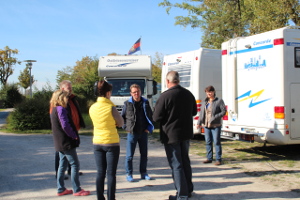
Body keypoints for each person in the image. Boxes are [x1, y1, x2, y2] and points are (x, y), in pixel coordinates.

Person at [153, 71, 197, 200]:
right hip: (186, 133)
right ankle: (188, 190)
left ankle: (182, 194)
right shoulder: (188, 94)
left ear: (167, 81)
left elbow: (156, 117)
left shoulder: (165, 96)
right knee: (185, 162)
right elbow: (194, 111)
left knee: (176, 164)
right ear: (178, 80)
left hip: (171, 134)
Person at [50, 90, 90, 196]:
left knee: (62, 165)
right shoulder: (61, 109)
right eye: (66, 98)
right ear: (61, 98)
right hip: (66, 142)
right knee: (74, 164)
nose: (68, 100)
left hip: (59, 142)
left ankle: (61, 189)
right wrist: (74, 135)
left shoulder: (54, 109)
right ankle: (77, 189)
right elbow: (65, 125)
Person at [89, 80, 124, 200]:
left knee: (100, 172)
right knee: (111, 174)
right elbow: (120, 123)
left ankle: (99, 197)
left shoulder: (92, 108)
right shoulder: (111, 107)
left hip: (97, 142)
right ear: (108, 93)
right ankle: (111, 198)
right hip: (111, 142)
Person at [52, 80, 85, 179]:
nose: (71, 90)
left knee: (71, 152)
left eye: (71, 88)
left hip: (73, 128)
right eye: (68, 88)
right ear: (62, 89)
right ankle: (59, 174)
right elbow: (58, 119)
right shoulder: (58, 103)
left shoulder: (72, 99)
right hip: (65, 132)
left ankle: (72, 171)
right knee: (61, 152)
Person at [121, 84, 154, 182]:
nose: (136, 94)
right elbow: (122, 117)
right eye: (134, 92)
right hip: (132, 133)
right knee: (129, 156)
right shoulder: (127, 104)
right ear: (131, 93)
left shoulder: (145, 102)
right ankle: (129, 174)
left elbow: (151, 116)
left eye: (138, 91)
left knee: (144, 154)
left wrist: (148, 128)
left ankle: (144, 173)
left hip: (143, 132)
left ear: (140, 92)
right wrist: (125, 127)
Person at [196, 85, 226, 166]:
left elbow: (223, 111)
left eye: (211, 92)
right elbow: (202, 113)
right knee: (208, 142)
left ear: (214, 92)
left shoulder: (219, 101)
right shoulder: (205, 102)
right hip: (206, 125)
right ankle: (209, 158)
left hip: (216, 125)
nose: (209, 93)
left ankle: (218, 159)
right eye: (207, 92)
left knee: (216, 142)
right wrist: (199, 123)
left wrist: (215, 117)